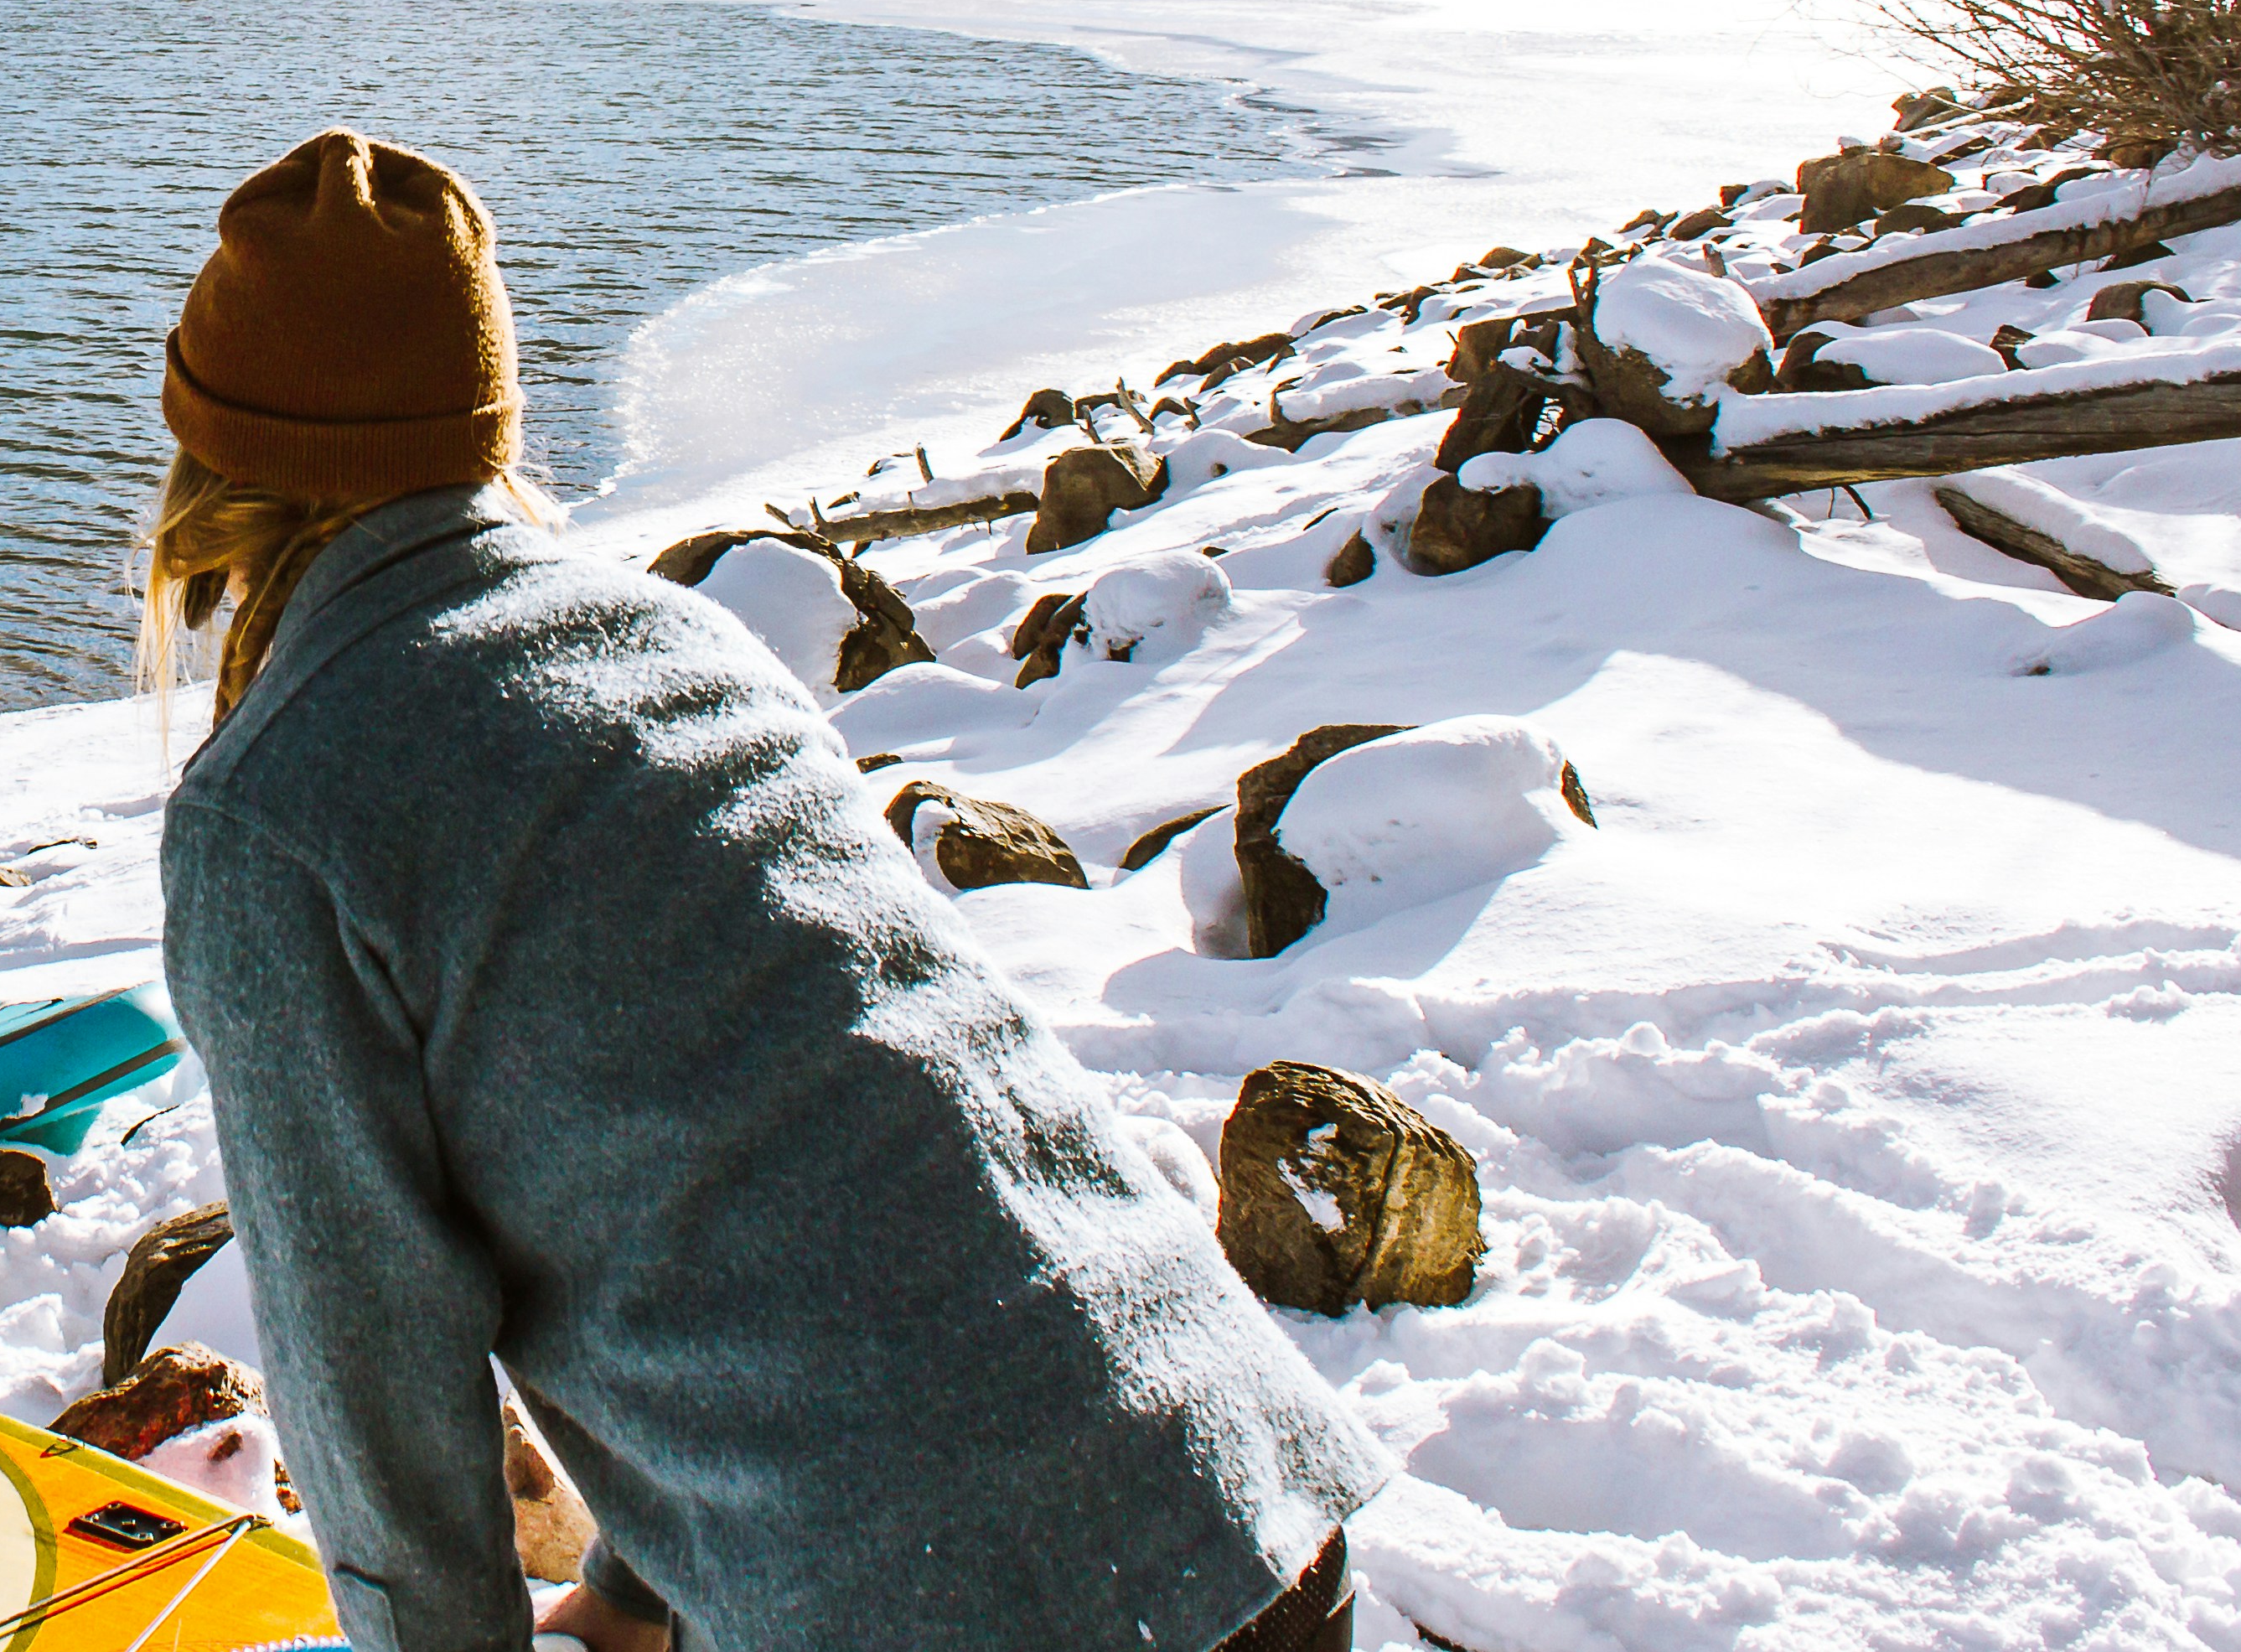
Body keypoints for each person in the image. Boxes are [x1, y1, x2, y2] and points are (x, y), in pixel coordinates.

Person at [142, 130, 1384, 1652]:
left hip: (953, 1603)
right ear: (483, 426)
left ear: (217, 467)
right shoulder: (676, 644)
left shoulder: (279, 809)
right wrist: (631, 1596)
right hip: (1228, 1491)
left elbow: (365, 1358)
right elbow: (816, 1136)